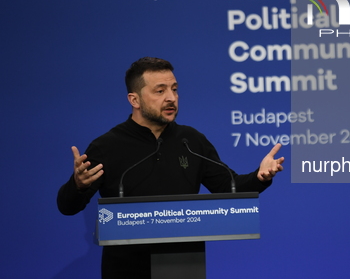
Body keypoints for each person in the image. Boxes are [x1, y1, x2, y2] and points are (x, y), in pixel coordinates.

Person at [57, 57, 284, 278]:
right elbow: (67, 206)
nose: (171, 98)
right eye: (160, 91)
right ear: (134, 100)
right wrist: (77, 185)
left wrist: (260, 176)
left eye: (174, 89)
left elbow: (228, 187)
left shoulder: (191, 141)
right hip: (125, 268)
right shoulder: (107, 146)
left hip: (183, 265)